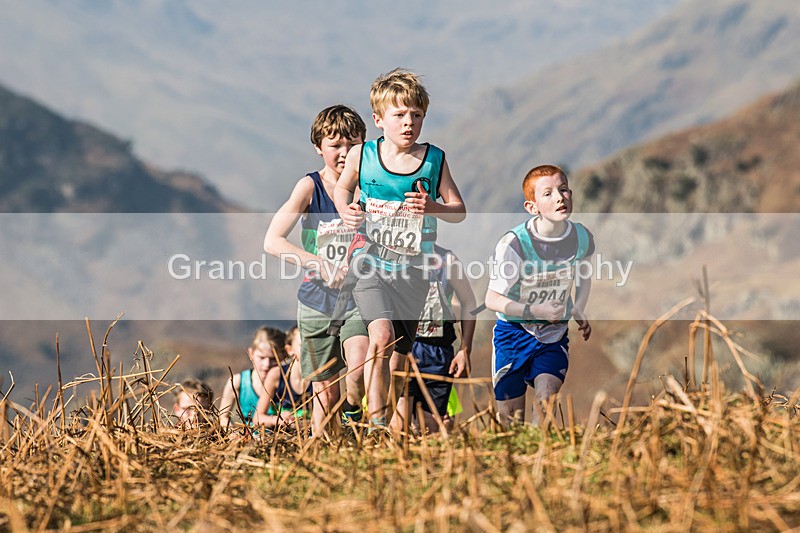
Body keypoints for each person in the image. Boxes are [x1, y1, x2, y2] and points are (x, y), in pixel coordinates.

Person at [333, 68, 467, 430]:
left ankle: (372, 412)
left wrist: (433, 208)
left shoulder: (434, 159)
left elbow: (459, 210)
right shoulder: (363, 154)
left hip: (414, 273)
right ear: (378, 120)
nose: (409, 123)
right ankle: (375, 425)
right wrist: (347, 210)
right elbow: (342, 189)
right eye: (400, 115)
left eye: (417, 115)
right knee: (381, 337)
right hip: (371, 265)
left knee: (394, 355)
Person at [263, 105, 370, 437]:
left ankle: (355, 405)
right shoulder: (310, 187)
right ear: (318, 147)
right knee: (325, 393)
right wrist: (317, 263)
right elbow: (272, 241)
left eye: (353, 144)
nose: (344, 153)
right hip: (316, 301)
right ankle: (324, 453)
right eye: (335, 145)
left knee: (359, 370)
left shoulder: (372, 187)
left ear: (365, 143)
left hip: (362, 297)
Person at [484, 164, 594, 426]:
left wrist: (578, 307)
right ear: (532, 207)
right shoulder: (514, 244)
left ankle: (543, 461)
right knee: (510, 424)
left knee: (545, 405)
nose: (559, 197)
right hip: (513, 335)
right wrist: (536, 311)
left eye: (564, 189)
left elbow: (584, 274)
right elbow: (492, 299)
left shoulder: (582, 237)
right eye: (548, 193)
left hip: (552, 336)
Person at [390, 245, 475, 434]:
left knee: (431, 426)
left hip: (437, 349)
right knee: (399, 424)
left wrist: (464, 349)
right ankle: (399, 458)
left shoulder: (447, 260)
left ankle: (425, 461)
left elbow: (469, 302)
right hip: (405, 347)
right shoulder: (391, 256)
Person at [219, 326, 286, 428]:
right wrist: (232, 434)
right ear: (251, 353)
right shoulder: (238, 382)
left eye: (273, 359)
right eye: (262, 357)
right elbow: (223, 416)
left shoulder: (287, 385)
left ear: (284, 357)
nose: (267, 364)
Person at [253, 326, 313, 429]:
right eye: (303, 345)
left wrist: (301, 424)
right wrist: (277, 420)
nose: (309, 350)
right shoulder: (276, 375)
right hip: (280, 438)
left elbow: (328, 419)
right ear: (289, 350)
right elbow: (258, 418)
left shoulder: (321, 378)